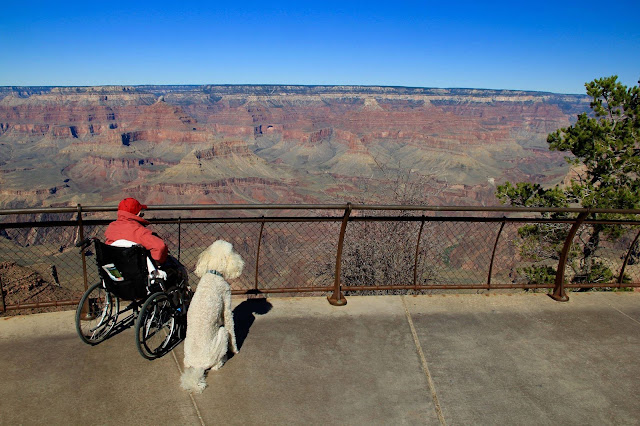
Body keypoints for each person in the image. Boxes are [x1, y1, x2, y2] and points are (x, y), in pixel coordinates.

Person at [105, 197, 184, 286]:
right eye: (142, 213)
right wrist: (157, 262)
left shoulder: (111, 229)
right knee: (176, 267)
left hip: (117, 275)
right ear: (138, 214)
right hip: (139, 277)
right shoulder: (139, 231)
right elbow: (160, 247)